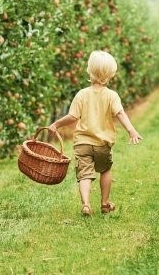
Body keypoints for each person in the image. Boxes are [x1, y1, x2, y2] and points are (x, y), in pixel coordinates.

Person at [49, 50, 142, 216]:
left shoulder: (82, 94)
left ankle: (85, 204)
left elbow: (72, 116)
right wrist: (131, 130)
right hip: (103, 144)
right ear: (110, 75)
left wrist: (56, 124)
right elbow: (120, 113)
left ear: (89, 71)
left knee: (84, 175)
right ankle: (105, 203)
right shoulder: (112, 96)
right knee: (105, 170)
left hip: (83, 143)